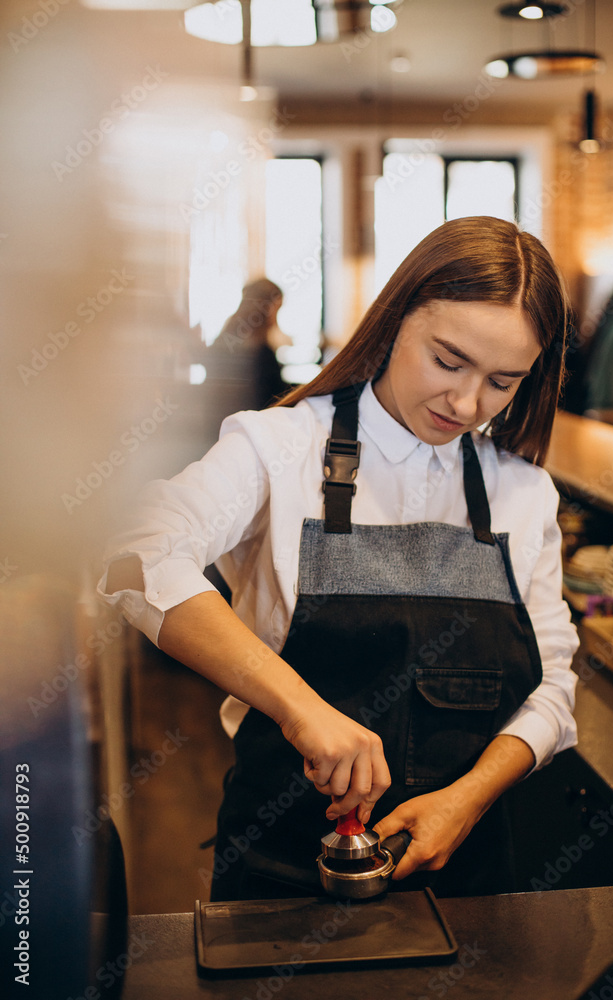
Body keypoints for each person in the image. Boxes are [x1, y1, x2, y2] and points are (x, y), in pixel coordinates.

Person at [99, 216, 579, 901]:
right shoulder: (277, 447)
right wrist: (299, 707)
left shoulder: (523, 492)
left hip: (466, 874)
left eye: (502, 382)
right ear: (392, 321)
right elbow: (134, 557)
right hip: (283, 866)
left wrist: (467, 798)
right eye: (447, 361)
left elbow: (554, 686)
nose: (467, 403)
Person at [199, 278, 289, 445]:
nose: (276, 319)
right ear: (267, 309)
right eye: (278, 309)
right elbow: (273, 399)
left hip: (215, 431)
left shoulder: (225, 340)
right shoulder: (261, 353)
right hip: (245, 436)